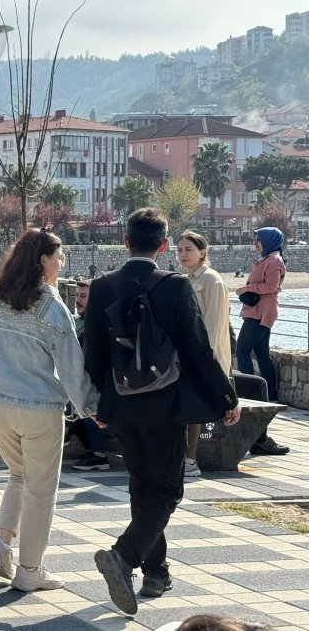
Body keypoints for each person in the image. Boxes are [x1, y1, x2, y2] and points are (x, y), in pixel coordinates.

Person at [84, 209, 240, 616]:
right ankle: (124, 555)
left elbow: (94, 353)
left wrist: (98, 404)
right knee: (168, 489)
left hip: (120, 404)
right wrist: (227, 398)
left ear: (125, 241)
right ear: (165, 245)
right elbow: (198, 350)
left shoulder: (102, 287)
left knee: (143, 484)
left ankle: (156, 571)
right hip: (166, 406)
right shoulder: (173, 286)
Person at [0, 228, 97, 593]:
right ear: (42, 260)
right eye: (58, 256)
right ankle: (30, 569)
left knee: (19, 474)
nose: (61, 263)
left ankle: (2, 545)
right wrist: (92, 409)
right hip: (39, 409)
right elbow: (71, 368)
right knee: (41, 489)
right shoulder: (52, 307)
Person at [178, 232, 288, 464]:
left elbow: (214, 326)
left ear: (202, 252)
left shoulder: (212, 280)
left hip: (205, 356)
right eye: (179, 250)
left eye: (188, 249)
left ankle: (191, 460)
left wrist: (209, 362)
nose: (183, 254)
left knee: (198, 405)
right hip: (188, 355)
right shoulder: (187, 280)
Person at [235, 227, 286, 402]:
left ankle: (248, 393)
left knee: (241, 350)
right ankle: (269, 394)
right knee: (262, 353)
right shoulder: (267, 259)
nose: (255, 243)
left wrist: (246, 288)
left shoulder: (273, 261)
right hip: (260, 311)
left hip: (261, 312)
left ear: (269, 241)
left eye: (258, 240)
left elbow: (271, 287)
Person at [66, 280, 111, 472]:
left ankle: (99, 455)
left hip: (95, 381)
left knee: (89, 403)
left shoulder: (98, 322)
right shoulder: (78, 321)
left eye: (83, 296)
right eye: (77, 296)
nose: (78, 300)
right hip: (79, 377)